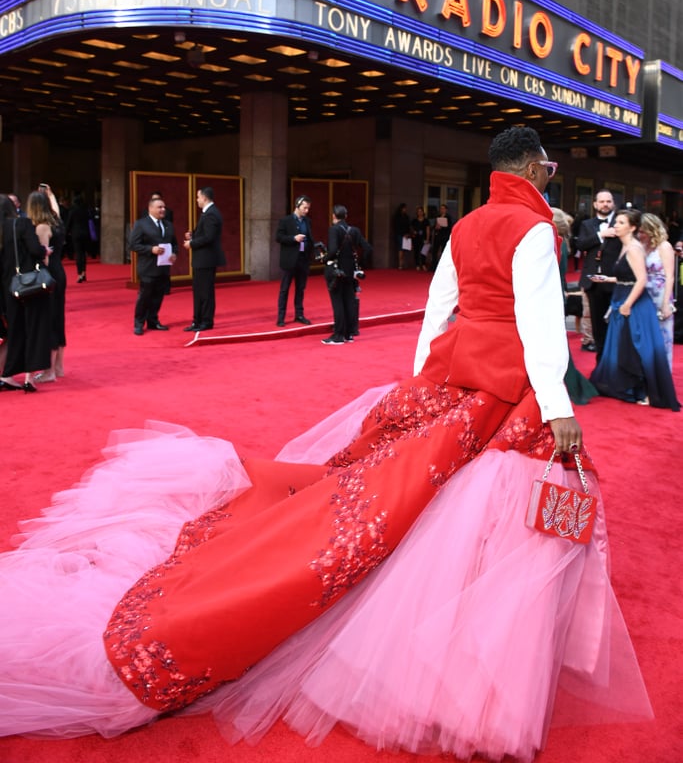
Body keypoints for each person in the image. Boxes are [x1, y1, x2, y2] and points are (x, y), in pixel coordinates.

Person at [0, 129, 653, 758]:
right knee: (499, 522)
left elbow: (436, 306)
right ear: (534, 167)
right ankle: (475, 656)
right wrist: (560, 403)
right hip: (512, 391)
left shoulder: (464, 225)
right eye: (549, 169)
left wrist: (425, 378)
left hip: (454, 375)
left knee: (408, 505)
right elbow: (540, 321)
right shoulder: (533, 228)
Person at [589, 208, 679, 410]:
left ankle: (646, 391)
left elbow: (641, 280)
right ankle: (629, 386)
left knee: (641, 347)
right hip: (626, 297)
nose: (616, 226)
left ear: (632, 227)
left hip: (636, 302)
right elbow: (628, 277)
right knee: (628, 346)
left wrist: (628, 304)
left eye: (621, 223)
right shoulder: (628, 247)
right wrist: (607, 279)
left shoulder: (635, 249)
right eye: (616, 222)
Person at [0, 192, 52, 393]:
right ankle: (30, 377)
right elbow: (35, 250)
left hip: (7, 288)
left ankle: (7, 374)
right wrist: (45, 251)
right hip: (28, 285)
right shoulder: (21, 224)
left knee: (16, 330)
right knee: (35, 328)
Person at [552, 208, 597, 405]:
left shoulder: (556, 243)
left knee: (556, 347)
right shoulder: (560, 243)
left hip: (550, 299)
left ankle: (571, 385)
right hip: (554, 298)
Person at [27, 186, 67, 383]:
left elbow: (45, 260)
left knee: (50, 319)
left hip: (49, 276)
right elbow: (57, 211)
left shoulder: (42, 227)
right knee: (58, 318)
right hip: (60, 274)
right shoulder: (57, 222)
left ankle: (50, 370)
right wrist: (51, 196)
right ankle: (58, 366)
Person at [575, 189, 621, 357]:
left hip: (614, 280)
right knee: (597, 323)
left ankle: (614, 360)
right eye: (601, 201)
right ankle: (601, 361)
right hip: (593, 281)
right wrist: (601, 235)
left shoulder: (620, 223)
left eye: (608, 201)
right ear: (595, 204)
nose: (605, 204)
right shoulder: (587, 225)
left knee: (616, 323)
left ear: (613, 204)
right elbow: (581, 244)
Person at [129, 196, 177, 336]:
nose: (163, 210)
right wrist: (151, 249)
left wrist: (174, 253)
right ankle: (139, 323)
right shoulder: (141, 224)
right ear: (150, 209)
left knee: (158, 296)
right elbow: (133, 245)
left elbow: (174, 243)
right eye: (159, 207)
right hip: (148, 267)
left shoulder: (168, 224)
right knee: (145, 296)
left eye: (164, 207)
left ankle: (153, 320)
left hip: (164, 267)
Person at [183, 187, 225, 332]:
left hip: (206, 259)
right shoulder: (208, 213)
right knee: (199, 291)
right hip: (202, 259)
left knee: (205, 292)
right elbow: (205, 234)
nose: (197, 200)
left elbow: (209, 237)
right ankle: (198, 321)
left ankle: (205, 321)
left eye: (198, 197)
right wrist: (193, 235)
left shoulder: (212, 214)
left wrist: (192, 243)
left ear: (204, 198)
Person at [321, 205, 365, 345]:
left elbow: (333, 250)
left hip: (337, 271)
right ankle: (349, 334)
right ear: (346, 216)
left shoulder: (333, 230)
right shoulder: (355, 231)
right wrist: (358, 265)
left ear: (334, 216)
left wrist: (325, 258)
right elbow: (367, 248)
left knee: (338, 302)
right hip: (351, 272)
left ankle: (338, 335)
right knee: (349, 301)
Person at [638, 212, 676, 370]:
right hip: (644, 293)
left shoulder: (664, 246)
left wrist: (666, 303)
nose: (639, 233)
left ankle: (663, 372)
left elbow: (670, 276)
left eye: (642, 230)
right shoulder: (642, 246)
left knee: (663, 335)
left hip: (660, 293)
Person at [275, 195, 313, 326]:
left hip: (303, 258)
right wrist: (293, 238)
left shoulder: (307, 221)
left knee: (300, 288)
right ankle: (281, 317)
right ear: (297, 206)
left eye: (308, 208)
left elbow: (310, 237)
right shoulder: (285, 221)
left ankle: (299, 314)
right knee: (285, 289)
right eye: (304, 208)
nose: (306, 211)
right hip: (290, 259)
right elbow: (279, 237)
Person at [67, 192, 91, 283]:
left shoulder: (72, 211)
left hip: (76, 234)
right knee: (83, 254)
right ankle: (84, 272)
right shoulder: (85, 210)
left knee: (78, 254)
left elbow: (68, 223)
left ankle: (79, 273)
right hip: (85, 233)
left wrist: (65, 234)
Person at [430, 203, 453, 270]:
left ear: (446, 210)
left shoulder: (448, 217)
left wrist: (442, 227)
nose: (442, 210)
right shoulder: (438, 216)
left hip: (444, 236)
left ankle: (443, 267)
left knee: (443, 251)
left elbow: (449, 227)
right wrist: (436, 227)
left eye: (443, 209)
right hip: (438, 235)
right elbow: (434, 226)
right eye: (441, 208)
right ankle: (434, 266)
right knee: (435, 251)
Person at [410, 205, 430, 271]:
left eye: (421, 211)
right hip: (416, 238)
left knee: (423, 252)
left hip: (423, 238)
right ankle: (417, 265)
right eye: (418, 212)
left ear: (423, 212)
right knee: (416, 251)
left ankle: (423, 264)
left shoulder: (426, 221)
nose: (419, 213)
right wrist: (413, 232)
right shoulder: (414, 220)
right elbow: (411, 228)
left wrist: (427, 239)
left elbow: (428, 230)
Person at [392, 202, 411, 269]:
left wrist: (407, 234)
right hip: (400, 235)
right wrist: (403, 234)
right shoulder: (397, 217)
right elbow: (396, 227)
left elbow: (408, 226)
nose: (405, 210)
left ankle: (404, 263)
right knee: (400, 249)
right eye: (404, 208)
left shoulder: (406, 216)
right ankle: (400, 264)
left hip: (406, 235)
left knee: (405, 249)